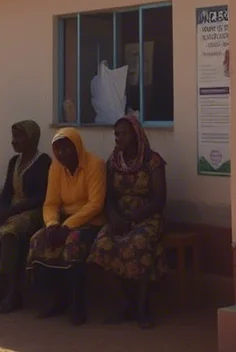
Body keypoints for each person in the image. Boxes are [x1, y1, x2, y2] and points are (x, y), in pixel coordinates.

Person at [89, 114, 168, 328]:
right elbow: (108, 196)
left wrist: (133, 218)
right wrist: (114, 217)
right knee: (101, 246)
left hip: (147, 218)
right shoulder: (113, 161)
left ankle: (142, 308)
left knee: (138, 245)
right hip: (120, 218)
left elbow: (160, 198)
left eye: (123, 133)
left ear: (136, 134)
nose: (119, 138)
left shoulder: (153, 161)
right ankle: (123, 304)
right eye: (116, 134)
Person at [0, 120, 51, 312]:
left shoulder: (43, 162)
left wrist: (11, 212)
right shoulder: (14, 162)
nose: (14, 141)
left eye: (19, 137)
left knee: (9, 234)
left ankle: (13, 293)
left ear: (32, 138)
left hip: (31, 212)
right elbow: (6, 192)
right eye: (13, 137)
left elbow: (41, 196)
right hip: (11, 210)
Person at [27, 127, 106, 326]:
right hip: (62, 222)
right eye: (58, 149)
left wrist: (68, 226)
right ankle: (56, 300)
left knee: (73, 243)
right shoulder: (55, 168)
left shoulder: (95, 165)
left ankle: (77, 304)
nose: (62, 154)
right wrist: (52, 224)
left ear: (77, 147)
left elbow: (96, 204)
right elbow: (51, 203)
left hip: (90, 222)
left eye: (66, 149)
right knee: (39, 240)